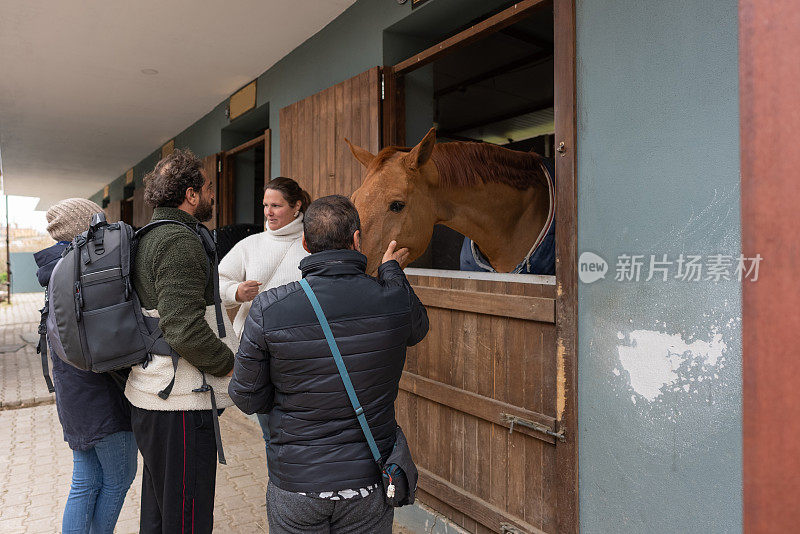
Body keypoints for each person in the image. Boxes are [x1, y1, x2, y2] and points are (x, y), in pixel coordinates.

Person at [229, 195, 429, 533]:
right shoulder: (391, 297)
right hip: (368, 483)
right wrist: (392, 271)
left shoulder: (269, 308)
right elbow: (417, 329)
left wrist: (286, 403)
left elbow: (246, 398)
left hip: (297, 482)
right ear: (356, 239)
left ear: (305, 244)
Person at [126, 149, 237, 533]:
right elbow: (183, 327)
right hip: (179, 405)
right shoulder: (179, 241)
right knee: (187, 517)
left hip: (154, 397)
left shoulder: (150, 235)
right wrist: (229, 363)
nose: (211, 195)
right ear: (190, 195)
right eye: (207, 187)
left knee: (159, 511)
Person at [34, 198, 137, 534]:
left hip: (73, 395)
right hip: (101, 395)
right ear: (85, 226)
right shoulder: (86, 270)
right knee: (119, 477)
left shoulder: (58, 271)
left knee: (86, 479)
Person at [218, 177, 311, 452]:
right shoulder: (251, 244)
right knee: (271, 435)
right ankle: (280, 492)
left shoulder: (313, 241)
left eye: (276, 206)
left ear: (296, 207)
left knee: (300, 434)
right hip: (257, 353)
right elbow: (218, 281)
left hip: (301, 352)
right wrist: (236, 292)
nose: (268, 212)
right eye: (265, 205)